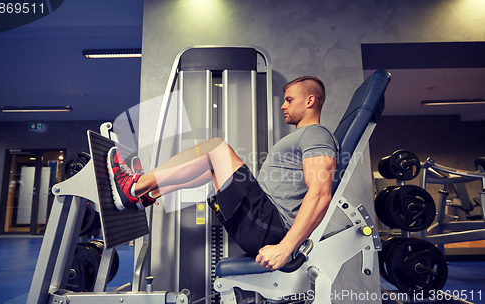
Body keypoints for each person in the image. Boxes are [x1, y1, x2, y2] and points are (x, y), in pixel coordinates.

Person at [106, 76, 339, 271]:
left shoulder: (316, 134)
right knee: (212, 165)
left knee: (216, 148)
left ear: (310, 101)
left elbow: (321, 194)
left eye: (289, 100)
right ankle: (150, 193)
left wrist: (285, 248)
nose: (283, 106)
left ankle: (135, 186)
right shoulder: (304, 137)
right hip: (263, 223)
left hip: (271, 227)